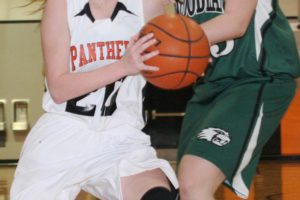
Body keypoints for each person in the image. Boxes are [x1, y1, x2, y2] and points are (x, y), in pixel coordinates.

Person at [10, 0, 179, 199]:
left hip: (121, 135)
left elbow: (168, 60)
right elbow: (58, 88)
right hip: (64, 134)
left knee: (158, 196)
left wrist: (188, 57)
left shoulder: (146, 5)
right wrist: (122, 66)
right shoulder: (61, 5)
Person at [175, 0, 300, 199]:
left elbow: (235, 23)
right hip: (209, 84)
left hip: (256, 77)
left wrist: (175, 43)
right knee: (186, 188)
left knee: (194, 181)